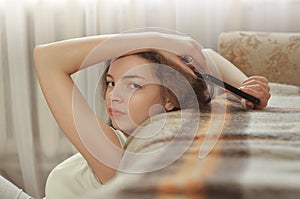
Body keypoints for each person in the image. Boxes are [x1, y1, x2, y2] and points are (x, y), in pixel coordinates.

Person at [33, 32, 270, 198]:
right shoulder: (128, 140)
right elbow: (206, 55)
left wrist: (158, 39)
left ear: (169, 99)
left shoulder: (114, 154)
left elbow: (47, 58)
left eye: (134, 85)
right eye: (111, 83)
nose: (113, 96)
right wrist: (245, 91)